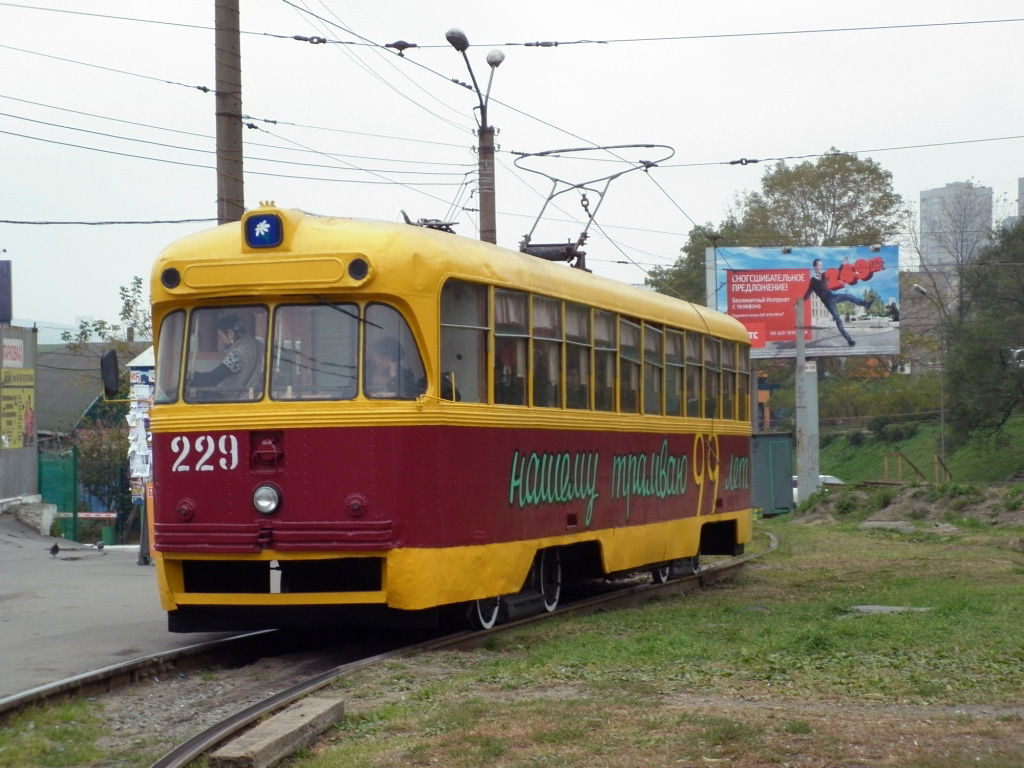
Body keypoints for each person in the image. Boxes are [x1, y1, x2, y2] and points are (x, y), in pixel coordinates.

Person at [797, 258, 875, 347]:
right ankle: (849, 341)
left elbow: (837, 273)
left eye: (822, 265)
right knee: (838, 320)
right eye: (819, 265)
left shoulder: (824, 275)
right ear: (815, 267)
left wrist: (843, 264)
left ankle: (866, 304)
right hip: (828, 303)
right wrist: (799, 303)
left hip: (833, 297)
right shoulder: (813, 281)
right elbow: (808, 294)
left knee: (849, 296)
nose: (821, 267)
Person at [189, 313, 263, 395]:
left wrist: (191, 377)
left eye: (220, 336)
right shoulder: (258, 345)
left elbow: (212, 379)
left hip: (240, 400)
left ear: (230, 333)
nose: (220, 341)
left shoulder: (237, 354)